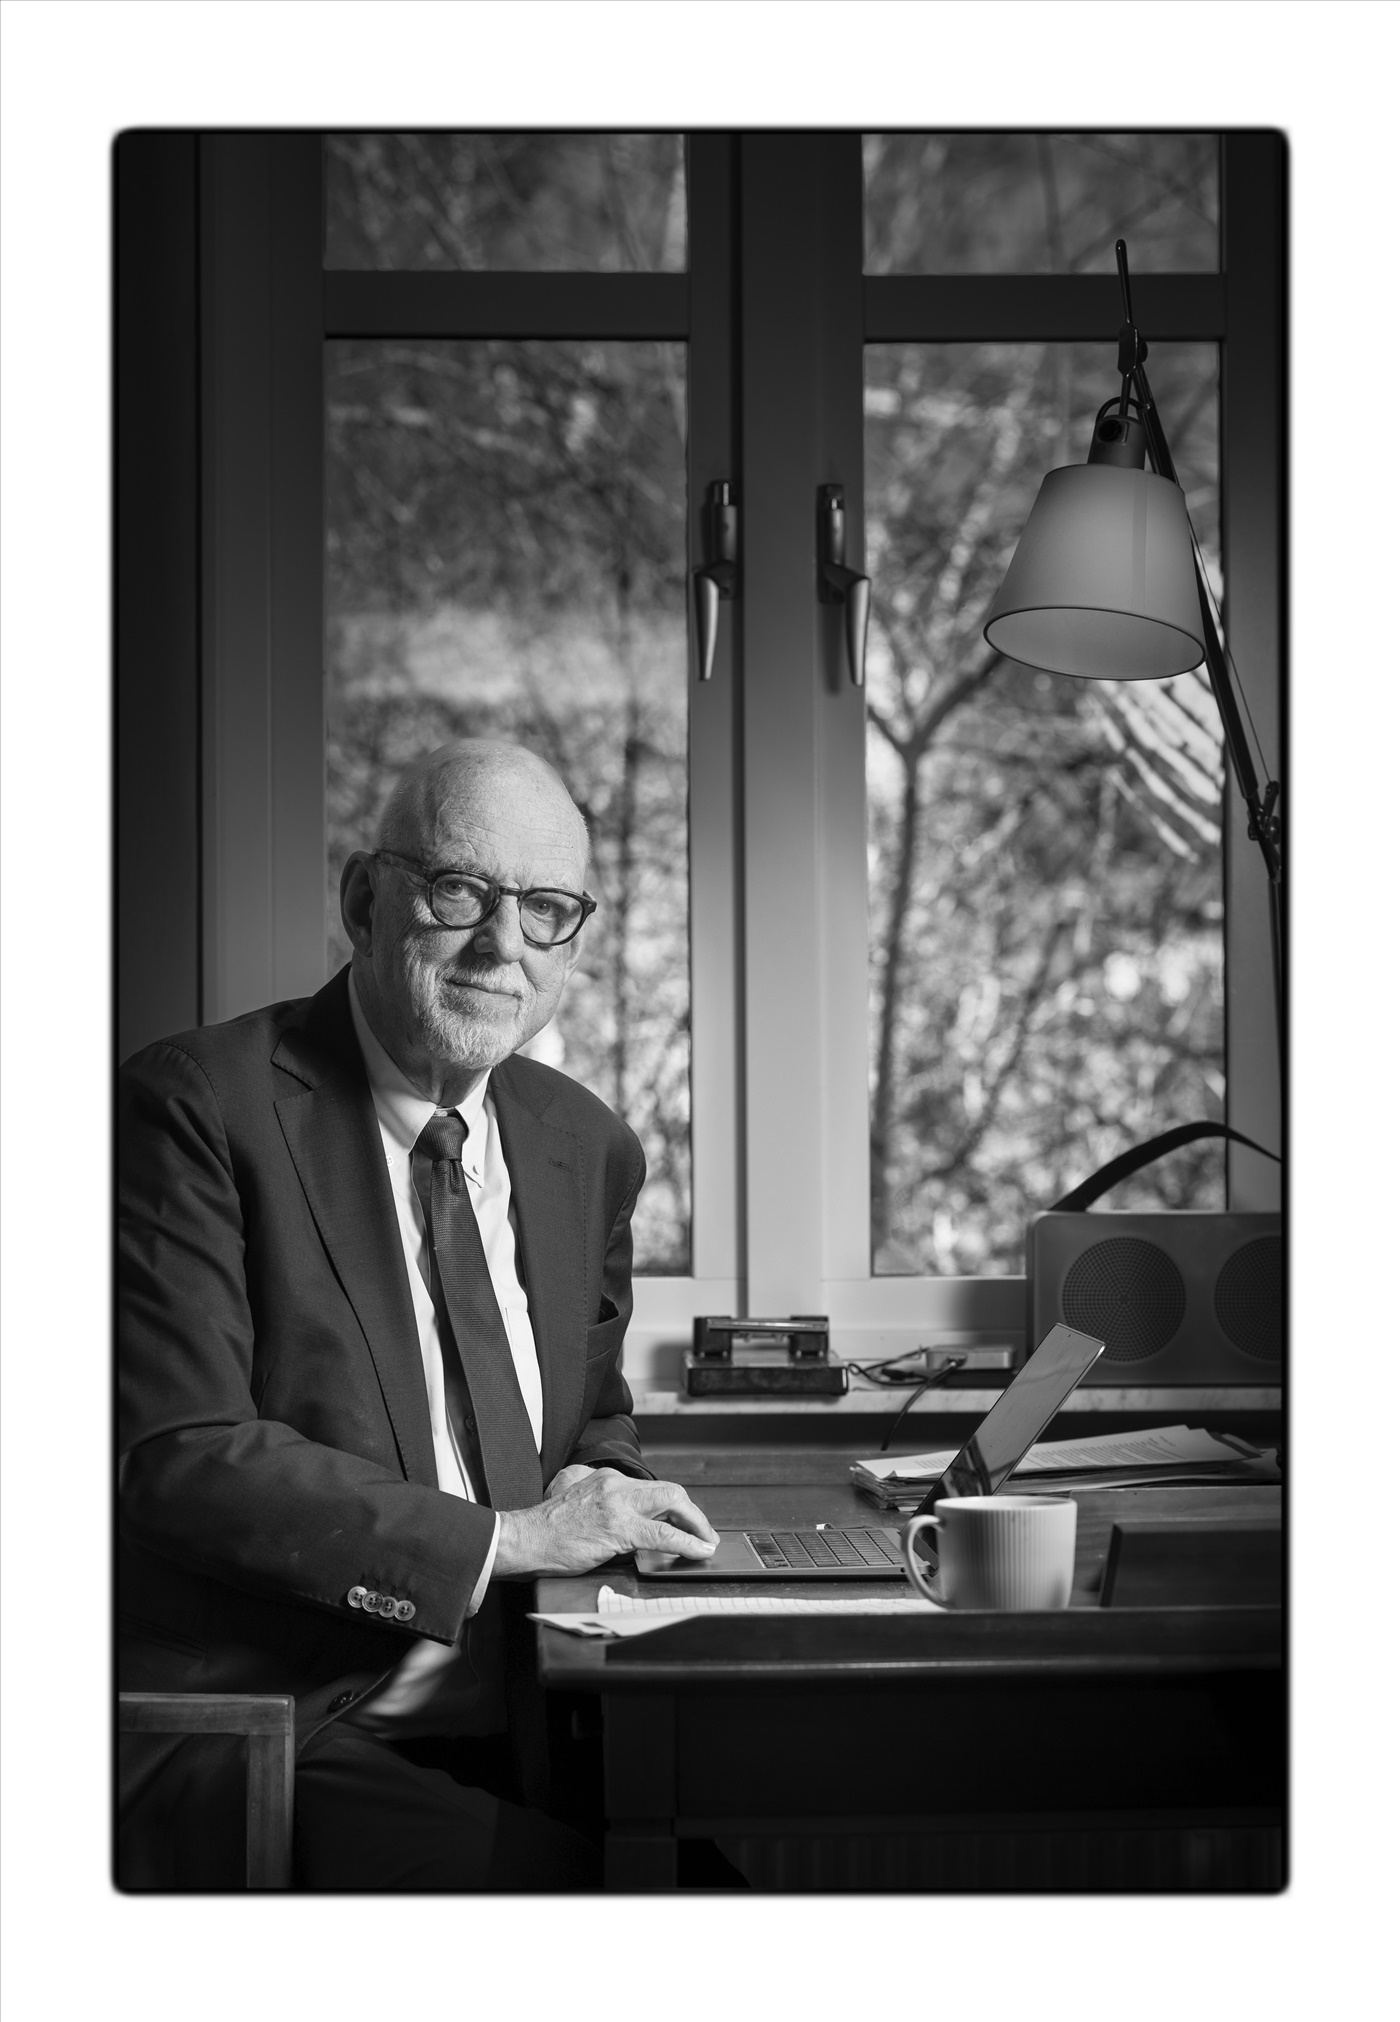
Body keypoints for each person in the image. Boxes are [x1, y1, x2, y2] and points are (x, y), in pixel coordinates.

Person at [117, 738, 718, 1889]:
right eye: (458, 892)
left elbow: (590, 1412)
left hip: (537, 1710)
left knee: (729, 1888)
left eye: (545, 910)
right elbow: (178, 1458)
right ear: (363, 901)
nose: (502, 946)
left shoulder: (586, 1145)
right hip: (278, 1728)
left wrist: (603, 1488)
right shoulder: (192, 1107)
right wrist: (509, 1543)